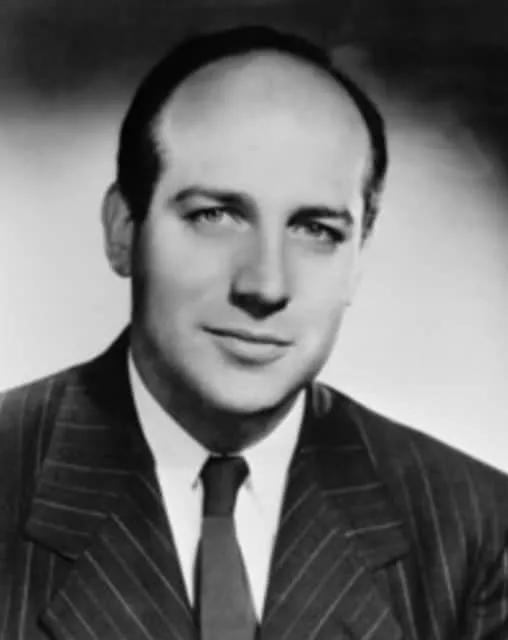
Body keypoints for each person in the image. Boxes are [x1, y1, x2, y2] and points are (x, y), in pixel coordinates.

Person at [0, 25, 507, 640]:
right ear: (123, 229)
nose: (265, 284)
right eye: (216, 215)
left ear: (358, 261)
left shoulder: (478, 533)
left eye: (316, 230)